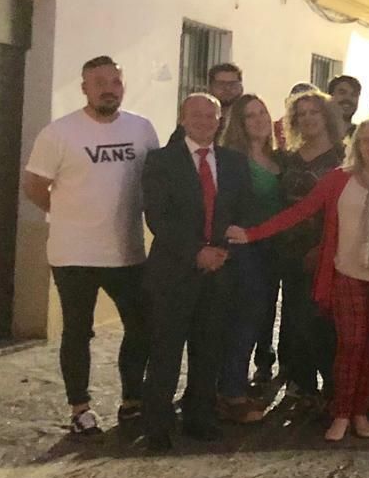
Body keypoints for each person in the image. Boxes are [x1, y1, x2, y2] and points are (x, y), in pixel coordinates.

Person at [231, 118, 369, 442]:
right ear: (357, 145)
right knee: (350, 344)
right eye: (367, 141)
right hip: (346, 274)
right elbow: (300, 212)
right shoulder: (338, 181)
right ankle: (341, 412)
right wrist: (252, 234)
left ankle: (361, 411)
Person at [21, 55, 159, 435]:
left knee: (141, 326)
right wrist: (66, 213)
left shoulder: (142, 129)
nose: (108, 87)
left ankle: (132, 401)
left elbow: (153, 182)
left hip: (127, 251)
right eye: (99, 81)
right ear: (84, 88)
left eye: (115, 80)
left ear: (123, 85)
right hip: (73, 254)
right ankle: (80, 408)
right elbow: (34, 185)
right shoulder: (60, 133)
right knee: (78, 332)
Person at [140, 93, 253, 451]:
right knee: (165, 351)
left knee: (208, 351)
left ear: (220, 120)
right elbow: (158, 218)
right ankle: (156, 424)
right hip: (174, 271)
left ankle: (199, 418)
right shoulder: (161, 161)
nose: (205, 121)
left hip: (220, 271)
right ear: (183, 118)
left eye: (212, 115)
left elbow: (243, 211)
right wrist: (195, 252)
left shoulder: (234, 162)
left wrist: (223, 251)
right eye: (197, 115)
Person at [273, 89, 348, 408]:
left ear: (326, 116)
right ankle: (301, 384)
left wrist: (325, 247)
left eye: (313, 112)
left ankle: (335, 384)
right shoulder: (286, 157)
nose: (307, 119)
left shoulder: (345, 157)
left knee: (328, 322)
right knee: (296, 319)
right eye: (300, 114)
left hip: (332, 250)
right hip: (290, 252)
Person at [217, 95, 287, 419]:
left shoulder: (278, 157)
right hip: (243, 249)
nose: (258, 120)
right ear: (239, 124)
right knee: (243, 319)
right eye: (249, 116)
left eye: (262, 113)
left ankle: (236, 384)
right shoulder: (232, 159)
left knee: (260, 320)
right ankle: (231, 392)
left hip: (272, 249)